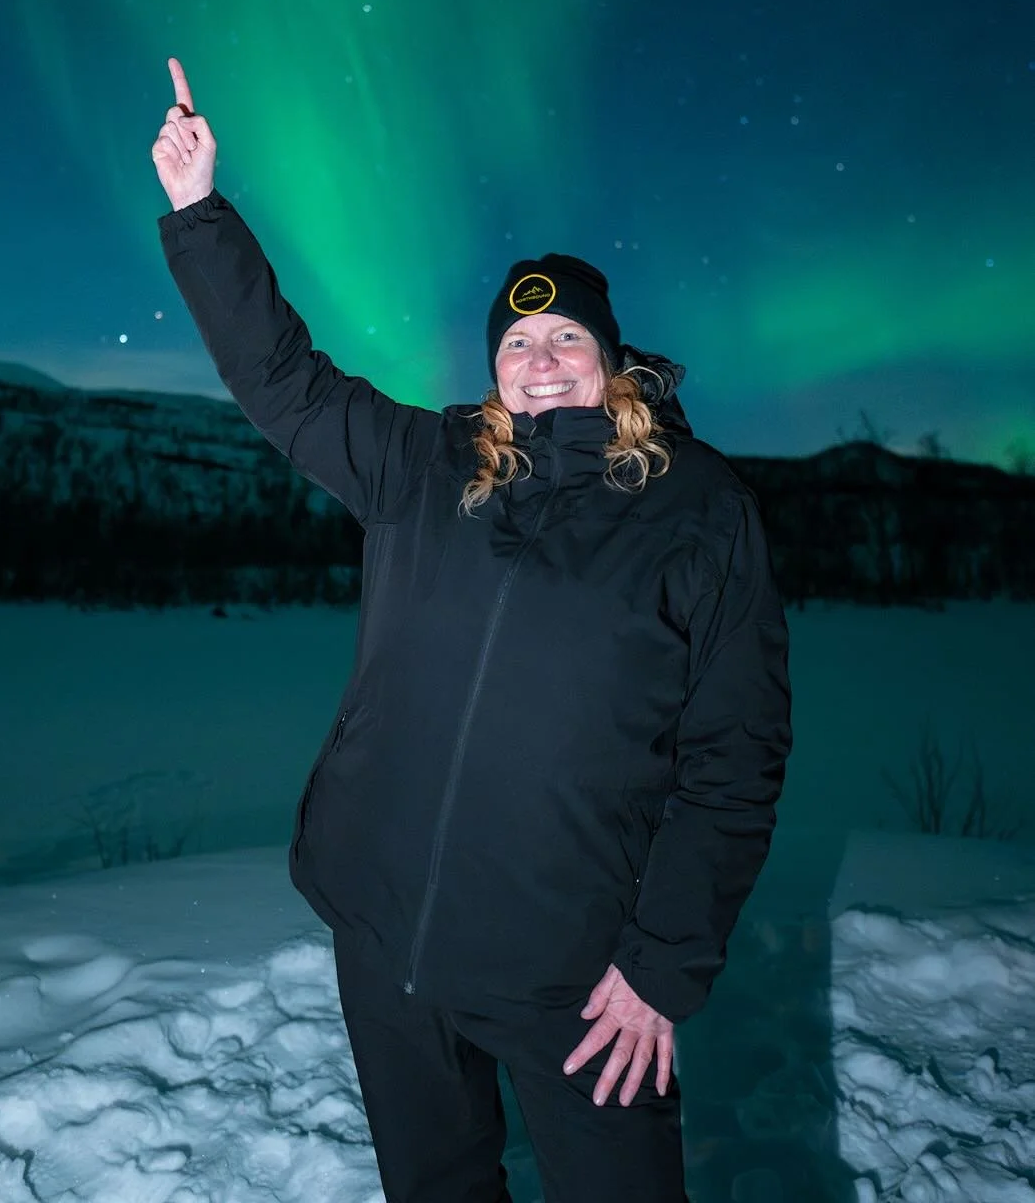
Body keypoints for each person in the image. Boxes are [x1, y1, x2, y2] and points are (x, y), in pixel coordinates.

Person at [152, 58, 792, 1203]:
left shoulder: (700, 513)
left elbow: (735, 758)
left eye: (565, 347)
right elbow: (283, 381)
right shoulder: (426, 466)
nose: (540, 366)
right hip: (387, 935)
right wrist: (202, 215)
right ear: (493, 371)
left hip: (576, 972)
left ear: (610, 363)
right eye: (517, 348)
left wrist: (662, 964)